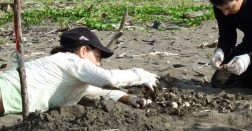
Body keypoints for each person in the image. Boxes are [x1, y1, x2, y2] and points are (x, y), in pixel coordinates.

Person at [0, 27, 159, 115]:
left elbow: (101, 91)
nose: (98, 64)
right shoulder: (69, 60)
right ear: (83, 51)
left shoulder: (74, 78)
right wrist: (142, 75)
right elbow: (108, 79)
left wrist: (129, 98)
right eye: (97, 57)